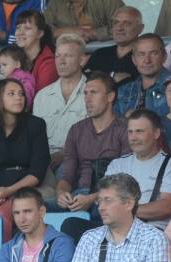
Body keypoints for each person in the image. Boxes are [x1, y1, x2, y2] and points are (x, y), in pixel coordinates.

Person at [0, 79, 49, 240]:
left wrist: (8, 191)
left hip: (25, 186)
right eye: (11, 94)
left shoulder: (36, 124)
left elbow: (37, 172)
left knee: (1, 216)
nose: (18, 98)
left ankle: (4, 255)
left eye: (21, 94)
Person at [55, 72, 130, 217]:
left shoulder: (125, 130)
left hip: (111, 197)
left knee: (100, 210)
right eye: (85, 93)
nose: (87, 99)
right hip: (78, 196)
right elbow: (67, 174)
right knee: (39, 206)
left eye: (94, 93)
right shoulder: (76, 130)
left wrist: (93, 198)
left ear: (110, 96)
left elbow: (125, 179)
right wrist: (61, 193)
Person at [102, 109, 171, 231]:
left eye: (139, 131)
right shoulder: (117, 164)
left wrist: (123, 209)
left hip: (153, 232)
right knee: (74, 224)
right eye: (130, 132)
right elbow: (105, 201)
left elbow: (167, 207)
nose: (133, 138)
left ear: (156, 133)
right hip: (116, 230)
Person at [34, 34, 87, 174]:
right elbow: (34, 137)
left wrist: (64, 154)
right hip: (43, 160)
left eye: (68, 56)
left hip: (79, 159)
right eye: (58, 56)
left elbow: (95, 137)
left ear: (82, 60)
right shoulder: (42, 96)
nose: (61, 61)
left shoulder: (92, 93)